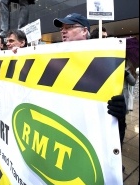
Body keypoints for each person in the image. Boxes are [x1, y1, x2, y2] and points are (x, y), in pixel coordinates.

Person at [53, 13, 127, 146]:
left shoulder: (104, 57)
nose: (63, 31)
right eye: (61, 28)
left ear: (84, 31)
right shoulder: (51, 56)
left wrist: (120, 117)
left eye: (69, 27)